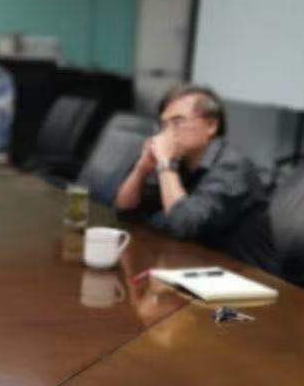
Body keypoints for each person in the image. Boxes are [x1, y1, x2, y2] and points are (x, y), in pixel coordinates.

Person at [113, 84, 277, 272]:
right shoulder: (180, 161)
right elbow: (125, 211)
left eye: (177, 122)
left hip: (247, 277)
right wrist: (142, 168)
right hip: (197, 267)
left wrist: (166, 164)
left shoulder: (233, 168)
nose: (166, 133)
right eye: (164, 125)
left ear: (211, 125)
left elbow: (183, 225)